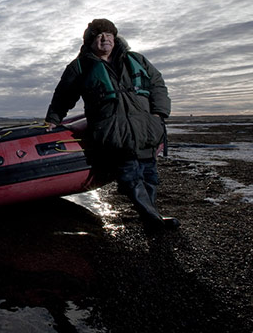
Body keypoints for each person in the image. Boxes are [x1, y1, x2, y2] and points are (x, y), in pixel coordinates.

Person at [44, 19, 180, 231]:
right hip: (112, 131)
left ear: (114, 38)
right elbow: (63, 95)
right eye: (98, 35)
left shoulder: (136, 59)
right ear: (90, 41)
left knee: (149, 175)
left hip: (145, 127)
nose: (104, 38)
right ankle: (152, 218)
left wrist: (159, 113)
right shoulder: (79, 67)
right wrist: (53, 119)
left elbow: (157, 84)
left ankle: (151, 215)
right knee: (129, 177)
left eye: (108, 34)